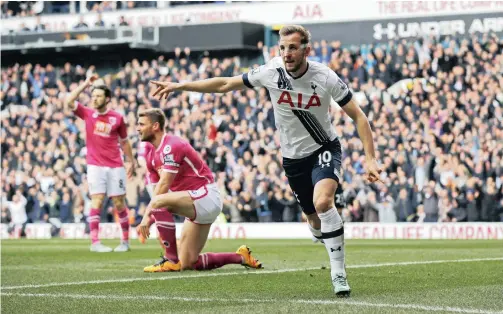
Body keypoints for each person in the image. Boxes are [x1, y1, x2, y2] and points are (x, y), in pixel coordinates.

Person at [149, 24, 382, 297]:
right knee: (315, 221)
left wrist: (371, 159)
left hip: (323, 148)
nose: (286, 53)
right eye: (282, 48)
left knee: (323, 203)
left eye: (293, 47)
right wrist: (182, 85)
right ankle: (324, 233)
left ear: (307, 50)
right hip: (293, 159)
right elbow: (226, 83)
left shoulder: (325, 77)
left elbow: (359, 116)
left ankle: (338, 274)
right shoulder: (271, 71)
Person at [137, 108, 262, 271]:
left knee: (159, 201)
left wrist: (147, 217)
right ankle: (240, 257)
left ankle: (170, 259)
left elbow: (162, 188)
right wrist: (153, 217)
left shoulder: (172, 145)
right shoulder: (151, 158)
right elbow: (157, 193)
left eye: (141, 124)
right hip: (195, 202)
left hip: (206, 195)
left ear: (155, 126)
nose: (138, 128)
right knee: (188, 263)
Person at [65, 75, 135, 252]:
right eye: (93, 95)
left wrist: (131, 161)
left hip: (116, 166)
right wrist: (85, 84)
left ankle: (125, 242)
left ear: (107, 98)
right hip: (95, 165)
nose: (94, 98)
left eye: (98, 96)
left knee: (119, 203)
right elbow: (68, 100)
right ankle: (95, 242)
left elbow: (125, 142)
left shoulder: (117, 118)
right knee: (96, 200)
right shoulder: (87, 113)